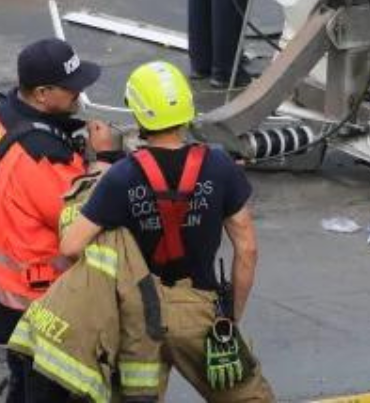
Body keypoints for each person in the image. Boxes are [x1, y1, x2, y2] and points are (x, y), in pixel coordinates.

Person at [54, 61, 274, 402]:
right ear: (187, 110)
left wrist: (104, 161)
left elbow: (70, 246)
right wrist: (229, 318)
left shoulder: (121, 177)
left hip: (136, 317)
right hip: (198, 307)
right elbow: (247, 250)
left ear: (139, 115)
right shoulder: (220, 167)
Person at [0, 37, 116, 403]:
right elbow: (83, 220)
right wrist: (105, 161)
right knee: (46, 391)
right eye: (71, 90)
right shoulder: (43, 157)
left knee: (21, 379)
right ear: (41, 94)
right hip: (40, 296)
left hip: (1, 282)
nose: (79, 98)